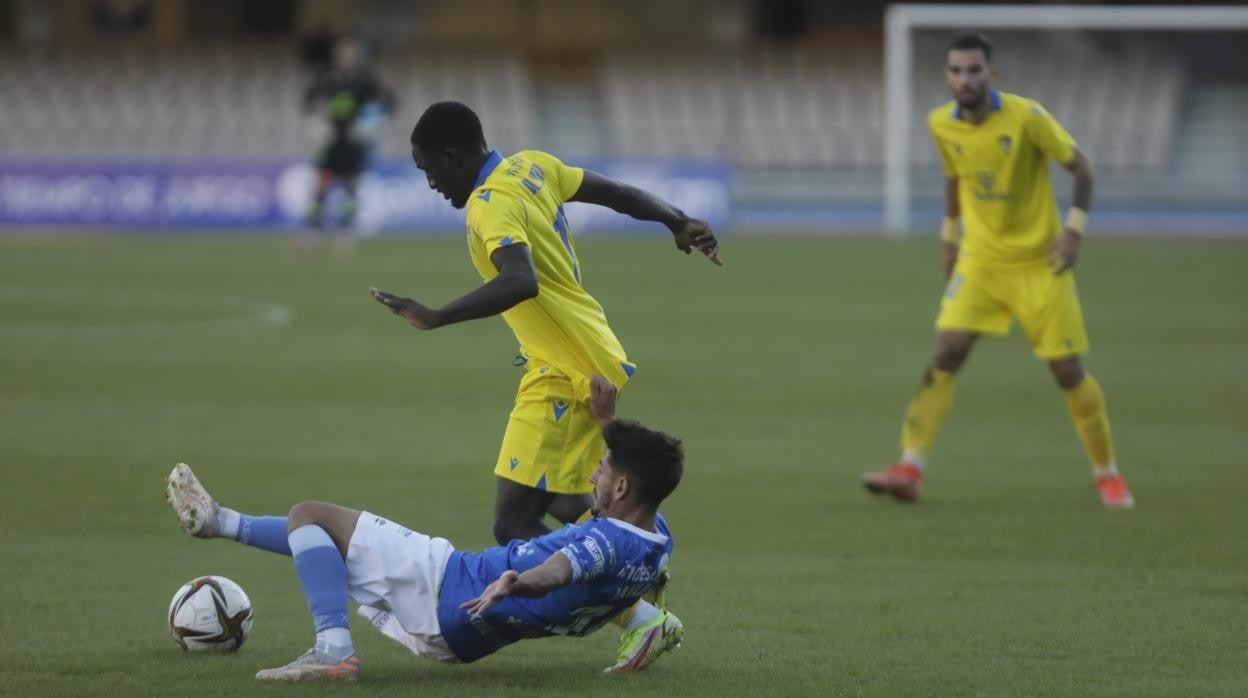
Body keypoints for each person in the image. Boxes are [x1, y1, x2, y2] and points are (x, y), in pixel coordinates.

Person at [367, 101, 719, 665]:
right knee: (557, 496)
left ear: (453, 157)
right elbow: (618, 194)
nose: (429, 182)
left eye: (428, 169)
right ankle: (640, 561)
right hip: (581, 354)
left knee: (513, 519)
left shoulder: (489, 204)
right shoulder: (532, 166)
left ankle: (639, 613)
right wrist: (675, 219)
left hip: (565, 371)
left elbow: (520, 280)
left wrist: (434, 316)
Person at [165, 377, 684, 682]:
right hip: (464, 635)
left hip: (448, 585)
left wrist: (516, 581)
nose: (594, 471)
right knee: (327, 543)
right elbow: (617, 507)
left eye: (603, 468)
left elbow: (558, 570)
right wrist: (607, 422)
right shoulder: (656, 540)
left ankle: (333, 649)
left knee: (310, 515)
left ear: (620, 490)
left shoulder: (605, 542)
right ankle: (220, 522)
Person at [862, 32, 1134, 509]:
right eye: (955, 71)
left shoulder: (1027, 117)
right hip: (981, 261)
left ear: (992, 73)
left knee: (1067, 370)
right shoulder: (940, 124)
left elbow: (1083, 169)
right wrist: (949, 237)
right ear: (947, 75)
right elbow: (953, 178)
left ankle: (1107, 473)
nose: (964, 79)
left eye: (973, 69)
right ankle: (910, 467)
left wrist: (1073, 231)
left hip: (1039, 263)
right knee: (944, 351)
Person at [300, 36, 396, 250]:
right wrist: (315, 120)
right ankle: (311, 232)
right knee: (322, 184)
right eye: (342, 53)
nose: (346, 57)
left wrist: (372, 122)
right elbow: (308, 101)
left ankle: (344, 233)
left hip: (353, 139)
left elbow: (390, 102)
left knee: (350, 186)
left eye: (350, 53)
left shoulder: (365, 79)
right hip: (331, 138)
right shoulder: (326, 77)